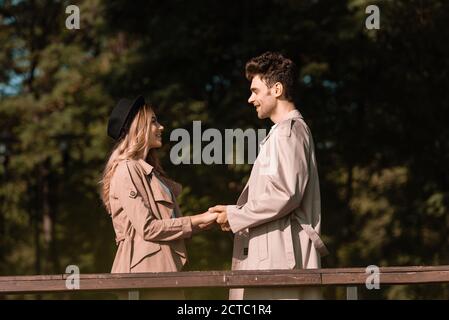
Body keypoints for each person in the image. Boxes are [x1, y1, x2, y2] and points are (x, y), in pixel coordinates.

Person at [209, 52, 329, 300]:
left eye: (255, 90)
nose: (250, 98)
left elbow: (285, 195)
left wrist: (234, 215)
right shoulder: (281, 133)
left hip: (281, 263)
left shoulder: (289, 132)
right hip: (275, 258)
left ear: (276, 89)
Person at [100, 95, 217, 299]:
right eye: (153, 121)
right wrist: (196, 220)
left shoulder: (148, 171)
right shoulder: (127, 169)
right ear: (139, 127)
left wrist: (203, 222)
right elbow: (148, 228)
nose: (161, 127)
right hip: (143, 276)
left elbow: (166, 224)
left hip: (160, 271)